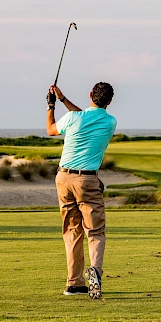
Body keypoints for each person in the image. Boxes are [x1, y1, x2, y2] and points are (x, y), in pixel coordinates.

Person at [46, 82, 117, 299]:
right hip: (87, 180)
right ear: (110, 102)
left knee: (72, 230)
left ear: (90, 95)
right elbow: (86, 115)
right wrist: (63, 99)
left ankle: (74, 283)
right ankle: (94, 274)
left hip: (63, 178)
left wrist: (52, 105)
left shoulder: (73, 118)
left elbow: (51, 130)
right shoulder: (110, 122)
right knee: (94, 231)